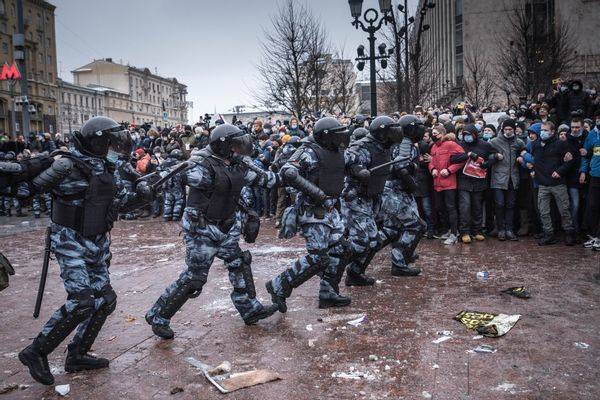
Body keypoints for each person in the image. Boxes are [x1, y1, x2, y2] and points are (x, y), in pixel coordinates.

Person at [18, 116, 149, 386]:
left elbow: (120, 203)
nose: (115, 147)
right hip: (69, 239)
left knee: (105, 300)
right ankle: (36, 352)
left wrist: (143, 196)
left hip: (97, 240)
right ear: (99, 141)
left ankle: (77, 354)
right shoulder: (66, 165)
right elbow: (26, 189)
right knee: (82, 301)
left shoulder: (107, 166)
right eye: (111, 141)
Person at [146, 123, 278, 340]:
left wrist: (295, 174)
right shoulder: (200, 164)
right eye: (234, 145)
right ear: (223, 146)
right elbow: (168, 177)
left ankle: (249, 308)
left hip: (227, 224)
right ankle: (158, 315)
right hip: (202, 228)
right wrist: (148, 186)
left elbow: (267, 180)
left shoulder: (239, 164)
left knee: (239, 263)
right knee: (195, 278)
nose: (238, 150)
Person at [266, 117, 352, 312]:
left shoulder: (337, 151)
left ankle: (328, 292)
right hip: (312, 210)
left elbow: (347, 164)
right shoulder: (308, 150)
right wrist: (317, 194)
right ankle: (279, 285)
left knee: (342, 249)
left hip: (331, 209)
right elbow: (288, 171)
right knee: (318, 258)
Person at [342, 116, 403, 285]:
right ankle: (329, 266)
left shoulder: (384, 147)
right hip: (356, 198)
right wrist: (358, 169)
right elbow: (345, 161)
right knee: (360, 241)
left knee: (374, 241)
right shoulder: (362, 145)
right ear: (382, 133)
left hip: (371, 197)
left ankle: (355, 274)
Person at [378, 114, 425, 276]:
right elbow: (401, 167)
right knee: (416, 226)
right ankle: (399, 261)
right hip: (397, 192)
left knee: (392, 229)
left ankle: (359, 259)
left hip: (392, 191)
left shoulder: (398, 143)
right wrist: (412, 186)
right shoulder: (406, 145)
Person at [529, 121, 576, 245]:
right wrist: (533, 170)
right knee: (543, 211)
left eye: (545, 130)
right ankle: (548, 234)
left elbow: (570, 161)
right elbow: (536, 161)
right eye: (541, 130)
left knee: (564, 210)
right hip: (542, 184)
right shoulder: (536, 144)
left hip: (557, 183)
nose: (542, 132)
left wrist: (560, 171)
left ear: (552, 131)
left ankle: (569, 233)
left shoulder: (561, 144)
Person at [451, 124, 498, 243]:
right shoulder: (460, 145)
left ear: (475, 135)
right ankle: (464, 232)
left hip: (479, 180)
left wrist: (487, 163)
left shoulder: (485, 145)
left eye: (469, 135)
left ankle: (477, 231)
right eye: (464, 135)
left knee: (477, 207)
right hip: (464, 180)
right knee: (465, 207)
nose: (466, 137)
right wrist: (467, 155)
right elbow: (452, 158)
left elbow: (495, 156)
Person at [489, 119, 526, 241]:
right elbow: (486, 156)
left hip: (513, 178)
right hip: (498, 178)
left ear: (514, 130)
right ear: (502, 129)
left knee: (510, 204)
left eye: (510, 129)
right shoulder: (494, 142)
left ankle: (509, 229)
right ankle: (500, 229)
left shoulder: (519, 142)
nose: (508, 132)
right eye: (506, 129)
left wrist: (522, 156)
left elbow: (524, 152)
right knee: (499, 204)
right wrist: (494, 156)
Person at [428, 124, 465, 245]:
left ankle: (454, 233)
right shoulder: (433, 146)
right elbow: (431, 161)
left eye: (436, 134)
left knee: (451, 208)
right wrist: (432, 168)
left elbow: (463, 159)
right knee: (439, 207)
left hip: (449, 183)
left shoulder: (451, 144)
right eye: (432, 134)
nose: (433, 136)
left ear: (442, 134)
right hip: (437, 182)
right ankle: (449, 229)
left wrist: (450, 170)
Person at [580, 114, 600, 249]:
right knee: (593, 206)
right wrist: (583, 171)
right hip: (595, 175)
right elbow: (585, 154)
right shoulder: (592, 134)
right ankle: (594, 236)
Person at [161, 149, 187, 221]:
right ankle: (175, 215)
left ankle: (166, 215)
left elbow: (159, 171)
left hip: (166, 183)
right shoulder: (179, 163)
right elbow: (184, 173)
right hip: (177, 183)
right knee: (178, 199)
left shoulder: (164, 162)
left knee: (168, 200)